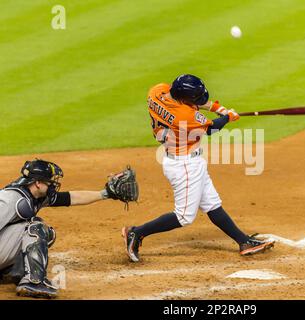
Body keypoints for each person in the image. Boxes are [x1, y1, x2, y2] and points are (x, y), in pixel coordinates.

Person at [122, 74, 274, 262]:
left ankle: (244, 242)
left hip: (183, 159)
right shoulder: (184, 116)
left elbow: (195, 104)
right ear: (184, 99)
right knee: (184, 216)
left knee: (212, 204)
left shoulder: (157, 91)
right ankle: (136, 233)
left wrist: (218, 108)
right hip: (184, 165)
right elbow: (211, 128)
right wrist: (227, 117)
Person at [0, 159, 134, 298]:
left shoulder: (35, 195)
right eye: (50, 182)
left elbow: (71, 198)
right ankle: (33, 282)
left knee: (47, 234)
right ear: (38, 183)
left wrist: (105, 193)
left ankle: (7, 271)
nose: (53, 186)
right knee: (36, 229)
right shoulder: (11, 199)